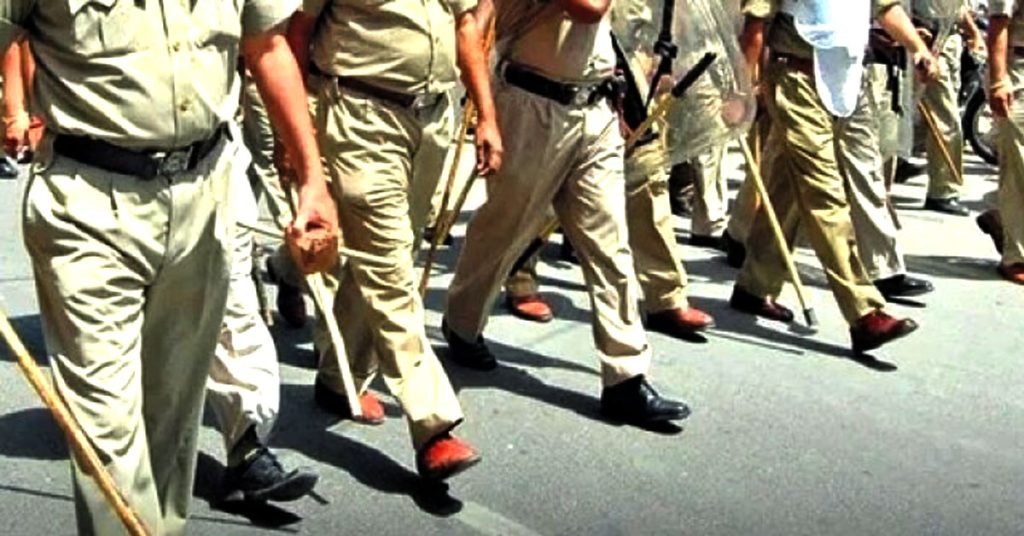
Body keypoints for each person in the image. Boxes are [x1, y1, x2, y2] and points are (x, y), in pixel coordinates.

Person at [2, 1, 338, 532]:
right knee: (108, 431)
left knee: (171, 418)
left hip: (205, 197)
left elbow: (268, 47)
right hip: (87, 205)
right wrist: (13, 111)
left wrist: (313, 180)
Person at [443, 0, 691, 427]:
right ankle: (462, 322)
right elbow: (588, 8)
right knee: (504, 230)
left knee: (611, 247)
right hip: (533, 104)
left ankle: (626, 377)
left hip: (595, 104)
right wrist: (486, 115)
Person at [288, 0, 502, 480]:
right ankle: (433, 424)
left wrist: (486, 116)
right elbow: (298, 32)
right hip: (360, 116)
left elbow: (466, 26)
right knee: (390, 269)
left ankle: (338, 377)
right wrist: (298, 140)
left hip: (432, 119)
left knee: (388, 254)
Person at [732, 0, 934, 355]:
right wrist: (741, 92)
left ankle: (754, 285)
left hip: (846, 80)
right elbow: (756, 24)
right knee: (825, 195)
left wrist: (917, 48)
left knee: (786, 190)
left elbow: (885, 7)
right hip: (795, 81)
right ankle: (864, 311)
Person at [914, 1, 984, 216]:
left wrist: (973, 32)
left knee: (932, 115)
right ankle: (943, 191)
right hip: (930, 40)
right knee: (946, 120)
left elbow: (955, 7)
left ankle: (900, 160)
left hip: (950, 39)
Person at [985, 0, 1024, 284]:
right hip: (1020, 72)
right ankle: (1016, 256)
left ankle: (1002, 220)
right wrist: (999, 80)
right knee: (1019, 167)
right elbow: (998, 24)